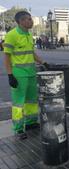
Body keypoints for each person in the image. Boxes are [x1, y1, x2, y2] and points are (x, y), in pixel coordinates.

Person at [3, 11, 49, 139]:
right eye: (29, 19)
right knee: (19, 103)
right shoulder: (12, 35)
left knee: (31, 100)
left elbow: (31, 53)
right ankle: (18, 129)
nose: (31, 21)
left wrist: (43, 62)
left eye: (31, 19)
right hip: (19, 74)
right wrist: (10, 75)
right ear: (21, 21)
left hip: (31, 73)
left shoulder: (28, 34)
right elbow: (6, 57)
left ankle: (30, 123)